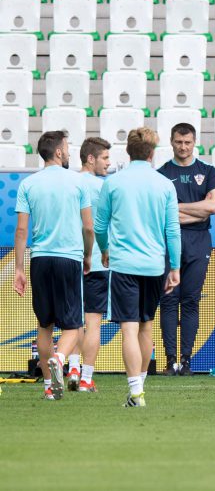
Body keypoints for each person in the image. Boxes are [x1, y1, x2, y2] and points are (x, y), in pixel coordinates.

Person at [93, 127, 181, 407]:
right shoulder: (165, 184)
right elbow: (173, 230)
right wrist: (175, 266)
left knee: (129, 329)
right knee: (146, 327)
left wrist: (105, 250)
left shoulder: (113, 183)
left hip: (124, 265)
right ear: (152, 153)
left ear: (128, 152)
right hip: (154, 266)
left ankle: (135, 393)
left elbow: (99, 225)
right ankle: (139, 389)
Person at [13, 130, 93, 400]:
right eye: (68, 147)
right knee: (72, 325)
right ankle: (60, 358)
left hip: (40, 259)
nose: (69, 152)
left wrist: (19, 269)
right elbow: (89, 227)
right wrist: (89, 256)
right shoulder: (79, 182)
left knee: (44, 324)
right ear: (58, 151)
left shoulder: (28, 184)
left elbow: (22, 231)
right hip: (68, 257)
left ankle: (49, 387)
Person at [156, 123, 215, 376]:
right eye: (178, 142)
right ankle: (170, 360)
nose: (183, 147)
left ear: (195, 143)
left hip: (199, 241)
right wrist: (198, 209)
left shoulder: (208, 171)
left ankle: (186, 361)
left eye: (187, 142)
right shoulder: (162, 174)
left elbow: (214, 207)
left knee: (191, 301)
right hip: (169, 240)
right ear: (171, 142)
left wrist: (177, 208)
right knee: (169, 300)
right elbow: (162, 215)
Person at [69, 137, 112, 393]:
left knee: (72, 320)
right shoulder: (103, 187)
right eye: (105, 158)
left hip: (71, 260)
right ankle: (86, 378)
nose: (109, 163)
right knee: (93, 321)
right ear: (91, 158)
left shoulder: (69, 183)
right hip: (97, 260)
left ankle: (73, 367)